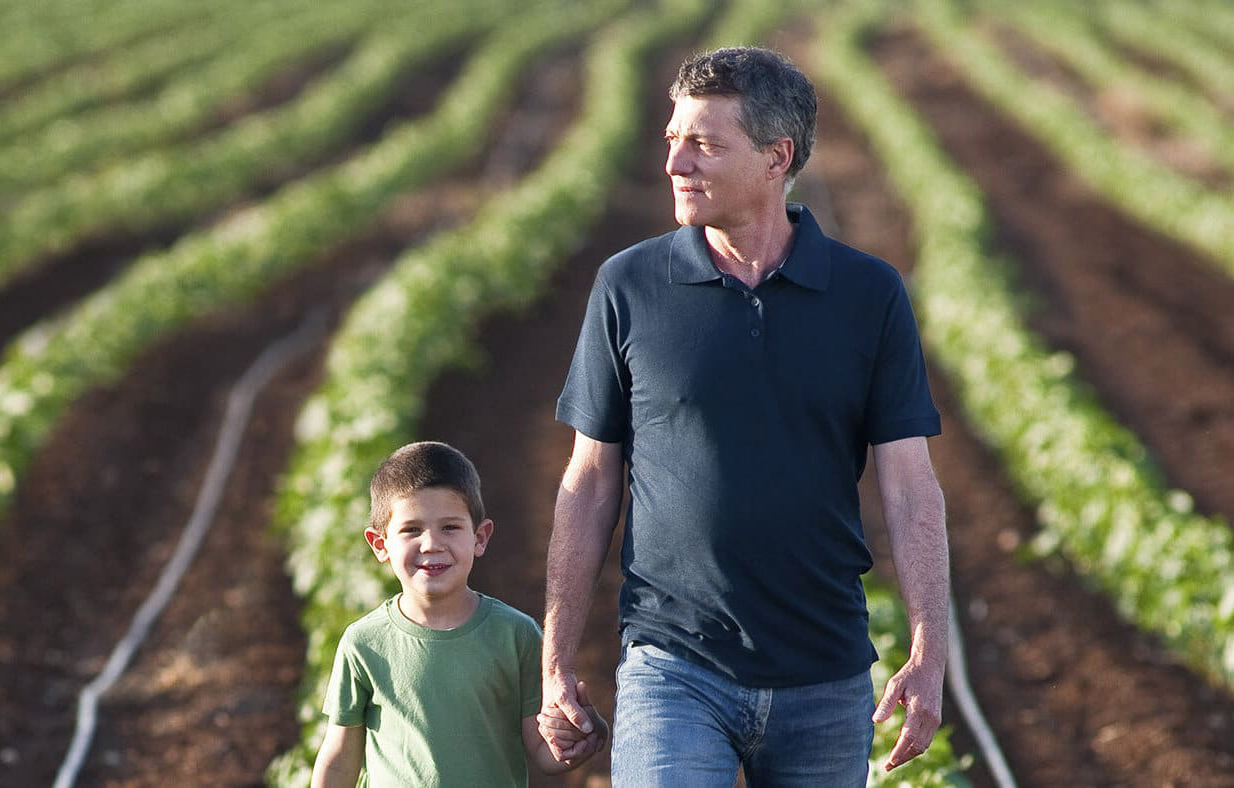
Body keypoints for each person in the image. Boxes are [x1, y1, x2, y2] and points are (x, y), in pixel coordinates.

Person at [541, 46, 951, 785]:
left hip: (826, 679)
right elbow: (590, 481)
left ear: (775, 156)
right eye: (673, 141)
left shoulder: (868, 296)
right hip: (674, 667)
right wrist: (556, 662)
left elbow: (911, 488)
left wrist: (928, 656)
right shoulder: (629, 285)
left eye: (703, 144)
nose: (676, 164)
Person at [311, 441, 607, 787]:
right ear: (381, 545)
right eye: (411, 530)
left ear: (480, 537)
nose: (432, 543)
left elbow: (543, 749)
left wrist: (580, 735)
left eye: (450, 527)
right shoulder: (364, 644)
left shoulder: (516, 636)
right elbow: (339, 758)